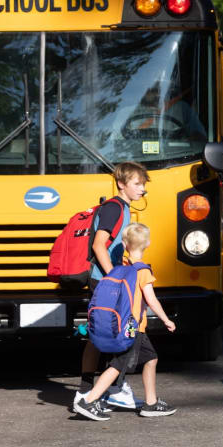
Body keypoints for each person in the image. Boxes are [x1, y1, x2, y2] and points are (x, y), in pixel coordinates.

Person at [73, 223, 177, 420]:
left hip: (128, 326)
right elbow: (151, 300)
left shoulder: (120, 268)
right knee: (118, 364)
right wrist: (166, 319)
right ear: (148, 243)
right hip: (133, 327)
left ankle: (151, 403)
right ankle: (88, 401)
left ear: (125, 244)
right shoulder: (143, 271)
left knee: (151, 358)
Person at [75, 161, 150, 411]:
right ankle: (102, 391)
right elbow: (99, 245)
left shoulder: (122, 208)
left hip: (107, 280)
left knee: (101, 334)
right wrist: (114, 278)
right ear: (121, 184)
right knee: (114, 332)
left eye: (143, 184)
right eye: (137, 184)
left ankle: (101, 389)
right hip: (105, 280)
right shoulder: (114, 209)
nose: (142, 189)